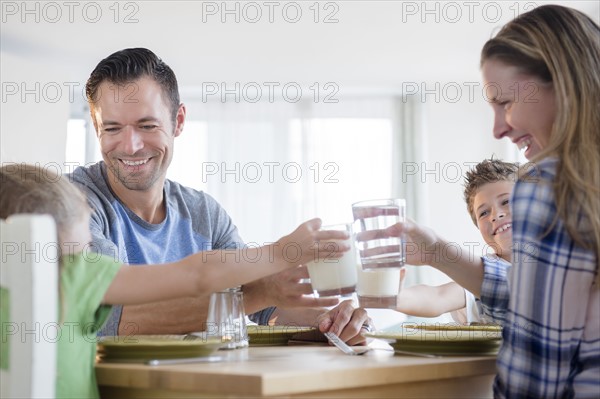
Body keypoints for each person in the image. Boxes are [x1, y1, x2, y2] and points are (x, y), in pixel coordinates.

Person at [69, 47, 370, 344]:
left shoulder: (203, 213)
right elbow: (111, 319)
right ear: (96, 128)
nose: (130, 145)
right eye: (112, 128)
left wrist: (331, 321)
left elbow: (268, 306)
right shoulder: (72, 204)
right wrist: (261, 290)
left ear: (179, 121)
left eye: (147, 125)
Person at [389, 5, 599, 397]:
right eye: (483, 212)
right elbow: (539, 290)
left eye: (506, 103)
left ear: (563, 84)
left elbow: (536, 376)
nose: (499, 127)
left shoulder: (547, 185)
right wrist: (434, 253)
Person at [0, 163, 350, 398]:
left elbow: (263, 302)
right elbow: (198, 274)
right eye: (85, 221)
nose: (91, 239)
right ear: (59, 231)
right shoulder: (79, 273)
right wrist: (279, 252)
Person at [396, 159, 517, 325]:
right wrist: (394, 295)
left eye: (506, 201)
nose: (496, 215)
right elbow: (437, 296)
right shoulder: (474, 273)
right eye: (483, 213)